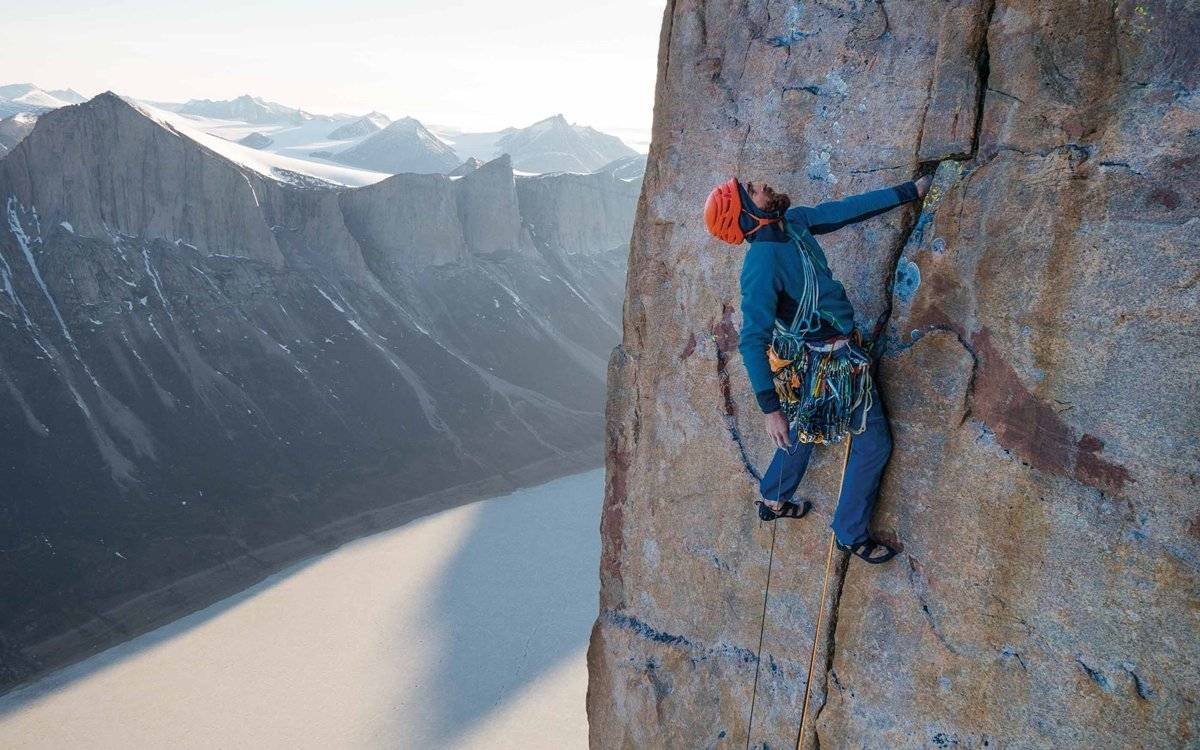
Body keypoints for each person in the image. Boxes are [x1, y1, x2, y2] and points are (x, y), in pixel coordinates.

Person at [703, 173, 932, 563]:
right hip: (833, 360)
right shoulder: (761, 264)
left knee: (806, 429)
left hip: (819, 358)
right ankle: (850, 532)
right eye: (753, 190)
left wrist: (909, 192)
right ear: (747, 213)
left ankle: (774, 498)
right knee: (873, 443)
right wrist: (770, 410)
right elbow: (751, 339)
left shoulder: (793, 224)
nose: (762, 186)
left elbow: (844, 211)